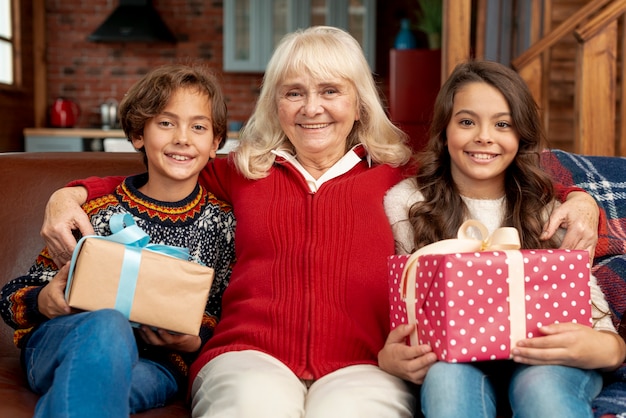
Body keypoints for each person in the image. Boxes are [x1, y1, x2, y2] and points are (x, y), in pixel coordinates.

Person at [39, 28, 600, 418]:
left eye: (331, 91)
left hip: (367, 362)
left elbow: (495, 164)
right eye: (295, 92)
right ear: (274, 103)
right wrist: (69, 195)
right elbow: (153, 175)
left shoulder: (399, 172)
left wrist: (579, 198)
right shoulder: (240, 170)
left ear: (359, 102)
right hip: (246, 353)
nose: (313, 108)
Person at [379, 60, 626, 418]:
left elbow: (595, 321)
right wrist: (389, 357)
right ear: (444, 130)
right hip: (454, 362)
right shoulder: (406, 203)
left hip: (547, 360)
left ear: (520, 136)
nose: (484, 136)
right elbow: (399, 309)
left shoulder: (547, 207)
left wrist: (610, 350)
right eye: (466, 122)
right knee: (447, 380)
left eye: (502, 124)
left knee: (540, 386)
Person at [0, 63, 236, 417]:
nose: (183, 138)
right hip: (64, 343)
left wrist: (191, 339)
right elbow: (11, 300)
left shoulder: (222, 224)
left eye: (199, 127)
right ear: (139, 134)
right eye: (166, 122)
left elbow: (219, 313)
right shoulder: (96, 210)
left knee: (97, 389)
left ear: (215, 142)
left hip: (157, 364)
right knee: (108, 324)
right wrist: (44, 300)